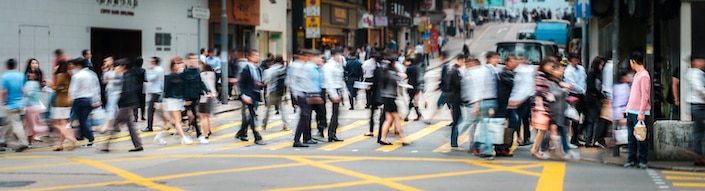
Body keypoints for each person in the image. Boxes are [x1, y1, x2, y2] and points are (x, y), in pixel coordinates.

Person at [101, 58, 144, 152]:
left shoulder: (127, 77)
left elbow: (128, 91)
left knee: (115, 123)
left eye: (118, 66)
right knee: (130, 126)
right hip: (130, 103)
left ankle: (106, 145)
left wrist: (120, 95)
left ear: (123, 67)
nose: (116, 68)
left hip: (126, 104)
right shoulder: (128, 75)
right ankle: (138, 145)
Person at [154, 56, 192, 145]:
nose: (180, 65)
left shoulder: (182, 75)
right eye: (177, 63)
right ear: (173, 65)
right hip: (171, 100)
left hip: (179, 100)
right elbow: (165, 90)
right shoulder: (169, 76)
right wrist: (161, 101)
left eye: (181, 62)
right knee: (177, 120)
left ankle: (159, 136)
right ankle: (183, 138)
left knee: (172, 122)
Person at [289, 49, 323, 147]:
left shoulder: (303, 66)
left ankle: (305, 138)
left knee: (305, 117)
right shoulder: (298, 66)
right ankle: (297, 139)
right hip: (302, 94)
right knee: (304, 116)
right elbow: (296, 82)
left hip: (305, 94)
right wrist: (303, 95)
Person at [623, 51, 651, 169]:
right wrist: (627, 108)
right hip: (632, 111)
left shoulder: (644, 75)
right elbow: (634, 95)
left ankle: (643, 160)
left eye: (630, 62)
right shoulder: (637, 75)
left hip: (639, 113)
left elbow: (645, 96)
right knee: (631, 138)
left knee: (641, 138)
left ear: (633, 61)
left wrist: (641, 113)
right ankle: (632, 159)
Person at [68, 57, 102, 148]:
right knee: (84, 119)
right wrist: (96, 100)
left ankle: (91, 139)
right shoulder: (91, 75)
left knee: (83, 120)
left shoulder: (77, 76)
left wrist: (71, 99)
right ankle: (88, 138)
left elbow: (72, 90)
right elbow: (95, 89)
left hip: (79, 99)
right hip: (89, 99)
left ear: (78, 65)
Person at [235, 50, 266, 145]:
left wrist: (261, 85)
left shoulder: (258, 69)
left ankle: (241, 133)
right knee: (252, 116)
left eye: (258, 55)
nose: (258, 57)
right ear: (250, 57)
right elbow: (241, 83)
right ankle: (257, 137)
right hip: (248, 96)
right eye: (256, 55)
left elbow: (258, 81)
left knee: (250, 117)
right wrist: (243, 95)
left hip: (255, 95)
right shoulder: (246, 69)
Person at [377, 59, 410, 145]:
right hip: (390, 98)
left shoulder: (384, 73)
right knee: (397, 118)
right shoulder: (391, 73)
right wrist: (399, 73)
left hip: (386, 97)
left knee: (388, 119)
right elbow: (403, 76)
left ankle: (383, 138)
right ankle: (403, 138)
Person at [0, 59, 30, 152]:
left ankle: (24, 142)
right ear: (16, 66)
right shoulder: (21, 76)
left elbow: (4, 91)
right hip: (20, 103)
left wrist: (3, 101)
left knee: (16, 124)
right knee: (8, 123)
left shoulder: (4, 77)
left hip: (11, 105)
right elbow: (24, 90)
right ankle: (2, 140)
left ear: (7, 66)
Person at [49, 60, 78, 151]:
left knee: (56, 124)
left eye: (57, 65)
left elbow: (57, 88)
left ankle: (72, 140)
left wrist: (49, 84)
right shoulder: (69, 76)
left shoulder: (60, 75)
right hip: (68, 101)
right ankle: (60, 145)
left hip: (60, 102)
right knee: (63, 123)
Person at [183, 53, 211, 141]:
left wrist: (207, 91)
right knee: (193, 114)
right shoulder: (185, 71)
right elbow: (182, 85)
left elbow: (200, 82)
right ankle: (197, 131)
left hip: (196, 95)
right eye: (192, 59)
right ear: (188, 60)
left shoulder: (197, 70)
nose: (194, 60)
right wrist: (184, 98)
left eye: (195, 59)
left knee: (196, 114)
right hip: (187, 96)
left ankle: (198, 131)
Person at [322, 50, 348, 142]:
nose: (340, 57)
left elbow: (341, 79)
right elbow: (328, 81)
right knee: (334, 113)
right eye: (338, 55)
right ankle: (330, 133)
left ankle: (332, 133)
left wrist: (344, 90)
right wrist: (333, 94)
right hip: (332, 90)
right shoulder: (329, 66)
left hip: (338, 89)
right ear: (333, 55)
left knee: (336, 113)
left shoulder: (339, 65)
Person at [563, 53, 587, 146]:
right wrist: (582, 90)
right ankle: (574, 138)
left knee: (587, 116)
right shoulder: (568, 71)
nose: (576, 62)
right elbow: (572, 84)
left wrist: (584, 90)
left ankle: (579, 134)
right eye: (574, 60)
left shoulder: (581, 68)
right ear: (570, 61)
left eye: (577, 60)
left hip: (583, 93)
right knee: (575, 118)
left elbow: (584, 79)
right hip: (574, 95)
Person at [584, 57, 608, 147]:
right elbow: (591, 87)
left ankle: (589, 139)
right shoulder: (592, 73)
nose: (602, 66)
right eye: (601, 64)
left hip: (594, 98)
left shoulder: (598, 73)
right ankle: (592, 139)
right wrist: (600, 96)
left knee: (592, 119)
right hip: (592, 99)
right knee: (594, 120)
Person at [262, 56, 291, 131]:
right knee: (283, 109)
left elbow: (265, 81)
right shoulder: (284, 69)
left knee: (268, 109)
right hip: (281, 92)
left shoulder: (271, 69)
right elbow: (288, 81)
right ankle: (286, 125)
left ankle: (264, 125)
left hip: (273, 92)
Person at [23, 62, 48, 147]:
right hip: (37, 106)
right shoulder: (38, 83)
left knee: (32, 127)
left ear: (36, 75)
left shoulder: (31, 83)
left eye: (32, 73)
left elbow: (28, 93)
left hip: (31, 107)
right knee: (31, 126)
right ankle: (29, 143)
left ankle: (48, 128)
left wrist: (23, 91)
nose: (29, 74)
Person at [686, 55, 705, 166]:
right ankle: (698, 156)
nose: (702, 62)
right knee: (699, 132)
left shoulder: (698, 73)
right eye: (700, 60)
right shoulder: (694, 73)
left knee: (698, 132)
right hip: (698, 106)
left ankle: (698, 157)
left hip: (698, 106)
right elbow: (699, 88)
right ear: (694, 62)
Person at [444, 54, 464, 150]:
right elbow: (458, 84)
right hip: (455, 98)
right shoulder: (455, 71)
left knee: (457, 120)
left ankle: (454, 140)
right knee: (457, 120)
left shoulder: (452, 70)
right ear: (459, 60)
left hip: (452, 98)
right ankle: (453, 142)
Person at [425, 51, 451, 124]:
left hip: (445, 90)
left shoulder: (444, 66)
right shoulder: (447, 65)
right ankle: (454, 120)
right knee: (450, 106)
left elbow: (445, 78)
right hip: (447, 90)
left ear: (442, 57)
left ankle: (430, 119)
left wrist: (439, 86)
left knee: (439, 105)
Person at [142, 57, 166, 132]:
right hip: (153, 91)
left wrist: (149, 70)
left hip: (156, 91)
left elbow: (150, 78)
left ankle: (149, 127)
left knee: (150, 110)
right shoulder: (158, 69)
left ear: (154, 62)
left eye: (151, 61)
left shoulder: (158, 69)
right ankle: (167, 122)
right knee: (157, 110)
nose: (150, 62)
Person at [198, 62, 217, 143]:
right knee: (208, 114)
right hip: (213, 94)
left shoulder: (201, 75)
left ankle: (206, 132)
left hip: (204, 96)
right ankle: (208, 129)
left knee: (203, 115)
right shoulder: (213, 74)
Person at [132, 57, 147, 122]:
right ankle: (142, 116)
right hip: (142, 87)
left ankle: (135, 117)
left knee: (135, 102)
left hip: (134, 87)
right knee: (143, 102)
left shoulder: (132, 70)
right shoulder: (143, 70)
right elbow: (145, 79)